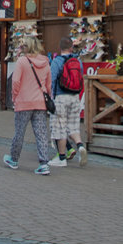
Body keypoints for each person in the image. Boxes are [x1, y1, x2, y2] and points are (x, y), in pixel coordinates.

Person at [4, 36, 54, 175]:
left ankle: (14, 159)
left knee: (19, 132)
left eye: (22, 46)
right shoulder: (45, 62)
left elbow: (15, 82)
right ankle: (44, 163)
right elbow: (49, 84)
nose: (20, 48)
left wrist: (14, 97)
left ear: (27, 47)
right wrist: (47, 95)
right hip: (40, 102)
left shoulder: (22, 61)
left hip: (24, 102)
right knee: (41, 133)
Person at [47, 37, 87, 168]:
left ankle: (62, 157)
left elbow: (51, 80)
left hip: (61, 97)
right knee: (73, 126)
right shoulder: (78, 61)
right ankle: (80, 145)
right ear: (71, 48)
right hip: (75, 97)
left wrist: (49, 97)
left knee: (60, 128)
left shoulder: (57, 61)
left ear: (60, 48)